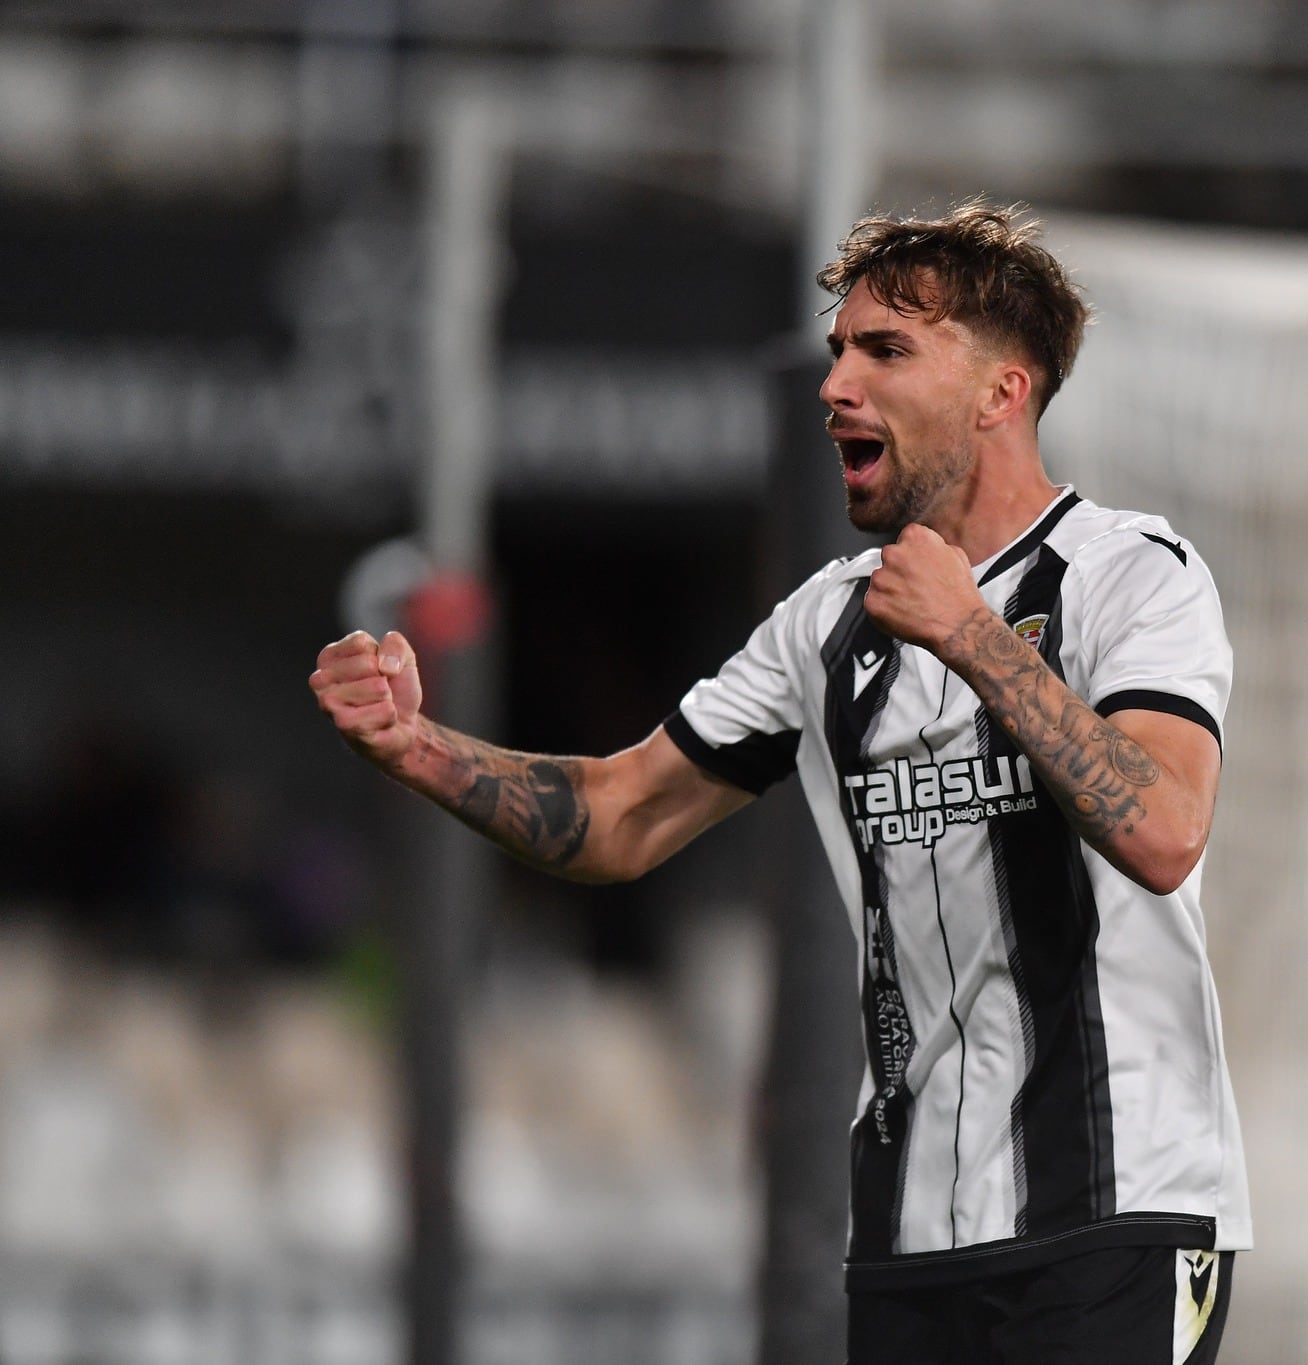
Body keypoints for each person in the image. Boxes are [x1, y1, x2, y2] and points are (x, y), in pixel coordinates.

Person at [309, 200, 1249, 1363]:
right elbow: (617, 816)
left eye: (885, 351)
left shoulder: (1134, 576)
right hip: (908, 1232)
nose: (835, 386)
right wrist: (417, 749)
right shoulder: (823, 625)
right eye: (837, 350)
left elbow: (1164, 829)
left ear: (1001, 394)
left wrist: (977, 639)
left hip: (1117, 1212)